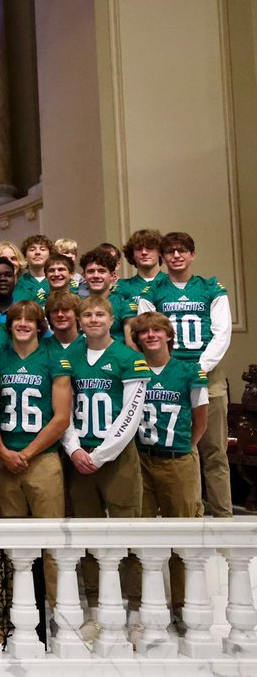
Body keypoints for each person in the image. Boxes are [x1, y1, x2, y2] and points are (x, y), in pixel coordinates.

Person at [62, 295, 149, 621]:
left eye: (100, 314)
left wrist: (101, 454)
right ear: (79, 321)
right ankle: (96, 606)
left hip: (116, 457)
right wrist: (74, 448)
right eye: (88, 314)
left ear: (111, 319)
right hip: (80, 457)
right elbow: (63, 408)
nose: (94, 319)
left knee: (128, 529)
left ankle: (136, 607)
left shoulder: (128, 357)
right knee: (87, 532)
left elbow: (131, 413)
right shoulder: (70, 356)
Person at [136, 231, 231, 518]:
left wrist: (199, 367)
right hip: (164, 376)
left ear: (192, 254)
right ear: (162, 258)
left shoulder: (211, 288)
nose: (176, 256)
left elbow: (222, 332)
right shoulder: (152, 292)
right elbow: (145, 331)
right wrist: (171, 369)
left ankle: (224, 516)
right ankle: (193, 511)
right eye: (170, 252)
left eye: (182, 251)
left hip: (206, 373)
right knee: (179, 447)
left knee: (213, 449)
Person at [0, 301, 72, 604]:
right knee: (12, 540)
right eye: (17, 319)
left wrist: (27, 453)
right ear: (9, 325)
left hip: (42, 459)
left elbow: (61, 417)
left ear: (40, 325)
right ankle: (14, 606)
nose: (23, 324)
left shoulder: (54, 358)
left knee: (51, 539)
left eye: (30, 320)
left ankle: (57, 606)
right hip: (5, 458)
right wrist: (2, 450)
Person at [133, 310, 207, 618]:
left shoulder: (189, 370)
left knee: (182, 533)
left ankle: (182, 603)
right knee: (142, 535)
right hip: (143, 460)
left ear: (168, 335)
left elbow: (201, 416)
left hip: (176, 459)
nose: (150, 336)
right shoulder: (135, 369)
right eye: (144, 332)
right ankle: (146, 602)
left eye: (156, 331)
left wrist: (187, 447)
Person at [80, 246, 136, 341]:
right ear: (84, 275)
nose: (96, 276)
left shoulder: (124, 305)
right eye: (91, 271)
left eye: (102, 271)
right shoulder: (77, 305)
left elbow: (131, 345)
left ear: (112, 276)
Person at [117, 229, 167, 303]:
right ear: (132, 254)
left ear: (160, 252)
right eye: (138, 248)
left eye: (149, 248)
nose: (144, 252)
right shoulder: (122, 287)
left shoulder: (171, 283)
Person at [16, 235, 52, 303]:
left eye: (42, 249)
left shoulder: (57, 279)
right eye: (32, 249)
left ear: (50, 255)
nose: (37, 252)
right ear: (25, 256)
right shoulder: (20, 283)